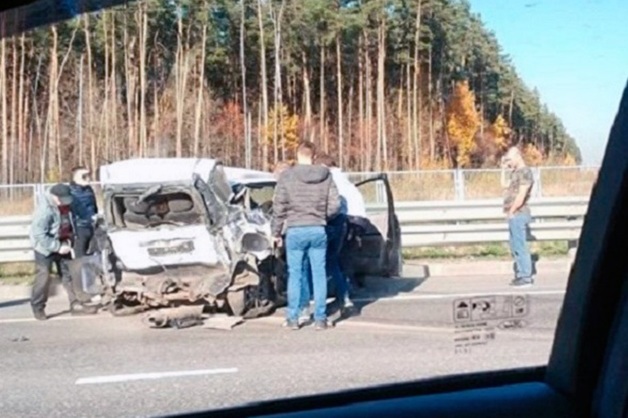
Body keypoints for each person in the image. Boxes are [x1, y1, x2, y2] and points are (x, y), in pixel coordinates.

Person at [271, 141, 341, 330]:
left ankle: (293, 318)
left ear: (298, 155)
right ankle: (320, 318)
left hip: (295, 229)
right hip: (318, 228)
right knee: (319, 274)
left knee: (295, 274)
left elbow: (279, 206)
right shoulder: (326, 176)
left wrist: (276, 232)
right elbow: (335, 204)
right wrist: (321, 216)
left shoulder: (287, 176)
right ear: (313, 155)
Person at [30, 183, 98, 320]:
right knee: (44, 276)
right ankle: (38, 307)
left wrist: (93, 219)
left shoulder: (70, 200)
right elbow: (38, 234)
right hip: (45, 247)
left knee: (69, 275)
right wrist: (57, 247)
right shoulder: (44, 211)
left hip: (64, 241)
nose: (65, 203)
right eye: (62, 200)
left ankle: (75, 304)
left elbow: (82, 212)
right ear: (55, 197)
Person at [502, 146, 535, 287]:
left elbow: (521, 195)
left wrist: (512, 211)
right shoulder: (515, 172)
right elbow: (504, 186)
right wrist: (503, 170)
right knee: (514, 245)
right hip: (514, 213)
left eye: (510, 159)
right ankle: (521, 274)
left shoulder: (525, 172)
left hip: (519, 213)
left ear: (517, 156)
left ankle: (526, 277)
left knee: (520, 245)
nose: (508, 162)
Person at [69, 166, 98, 257]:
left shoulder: (89, 189)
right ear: (76, 177)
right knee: (80, 256)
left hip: (92, 226)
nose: (88, 178)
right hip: (79, 228)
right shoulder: (71, 192)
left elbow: (94, 206)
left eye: (89, 175)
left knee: (94, 255)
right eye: (84, 176)